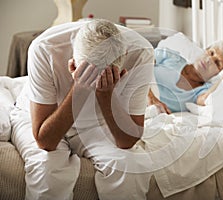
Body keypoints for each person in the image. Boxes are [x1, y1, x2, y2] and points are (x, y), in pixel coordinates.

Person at [10, 18, 155, 200]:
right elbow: (45, 141)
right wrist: (79, 90)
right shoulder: (44, 48)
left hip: (98, 121)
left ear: (124, 56)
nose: (94, 82)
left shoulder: (141, 53)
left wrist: (105, 95)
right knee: (47, 170)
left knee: (130, 168)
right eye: (87, 73)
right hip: (40, 116)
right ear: (72, 61)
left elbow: (127, 141)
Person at [148, 41, 223, 113]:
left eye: (217, 63)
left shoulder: (202, 91)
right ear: (205, 51)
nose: (209, 60)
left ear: (219, 73)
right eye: (211, 53)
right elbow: (139, 64)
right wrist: (150, 95)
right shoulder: (171, 58)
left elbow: (206, 99)